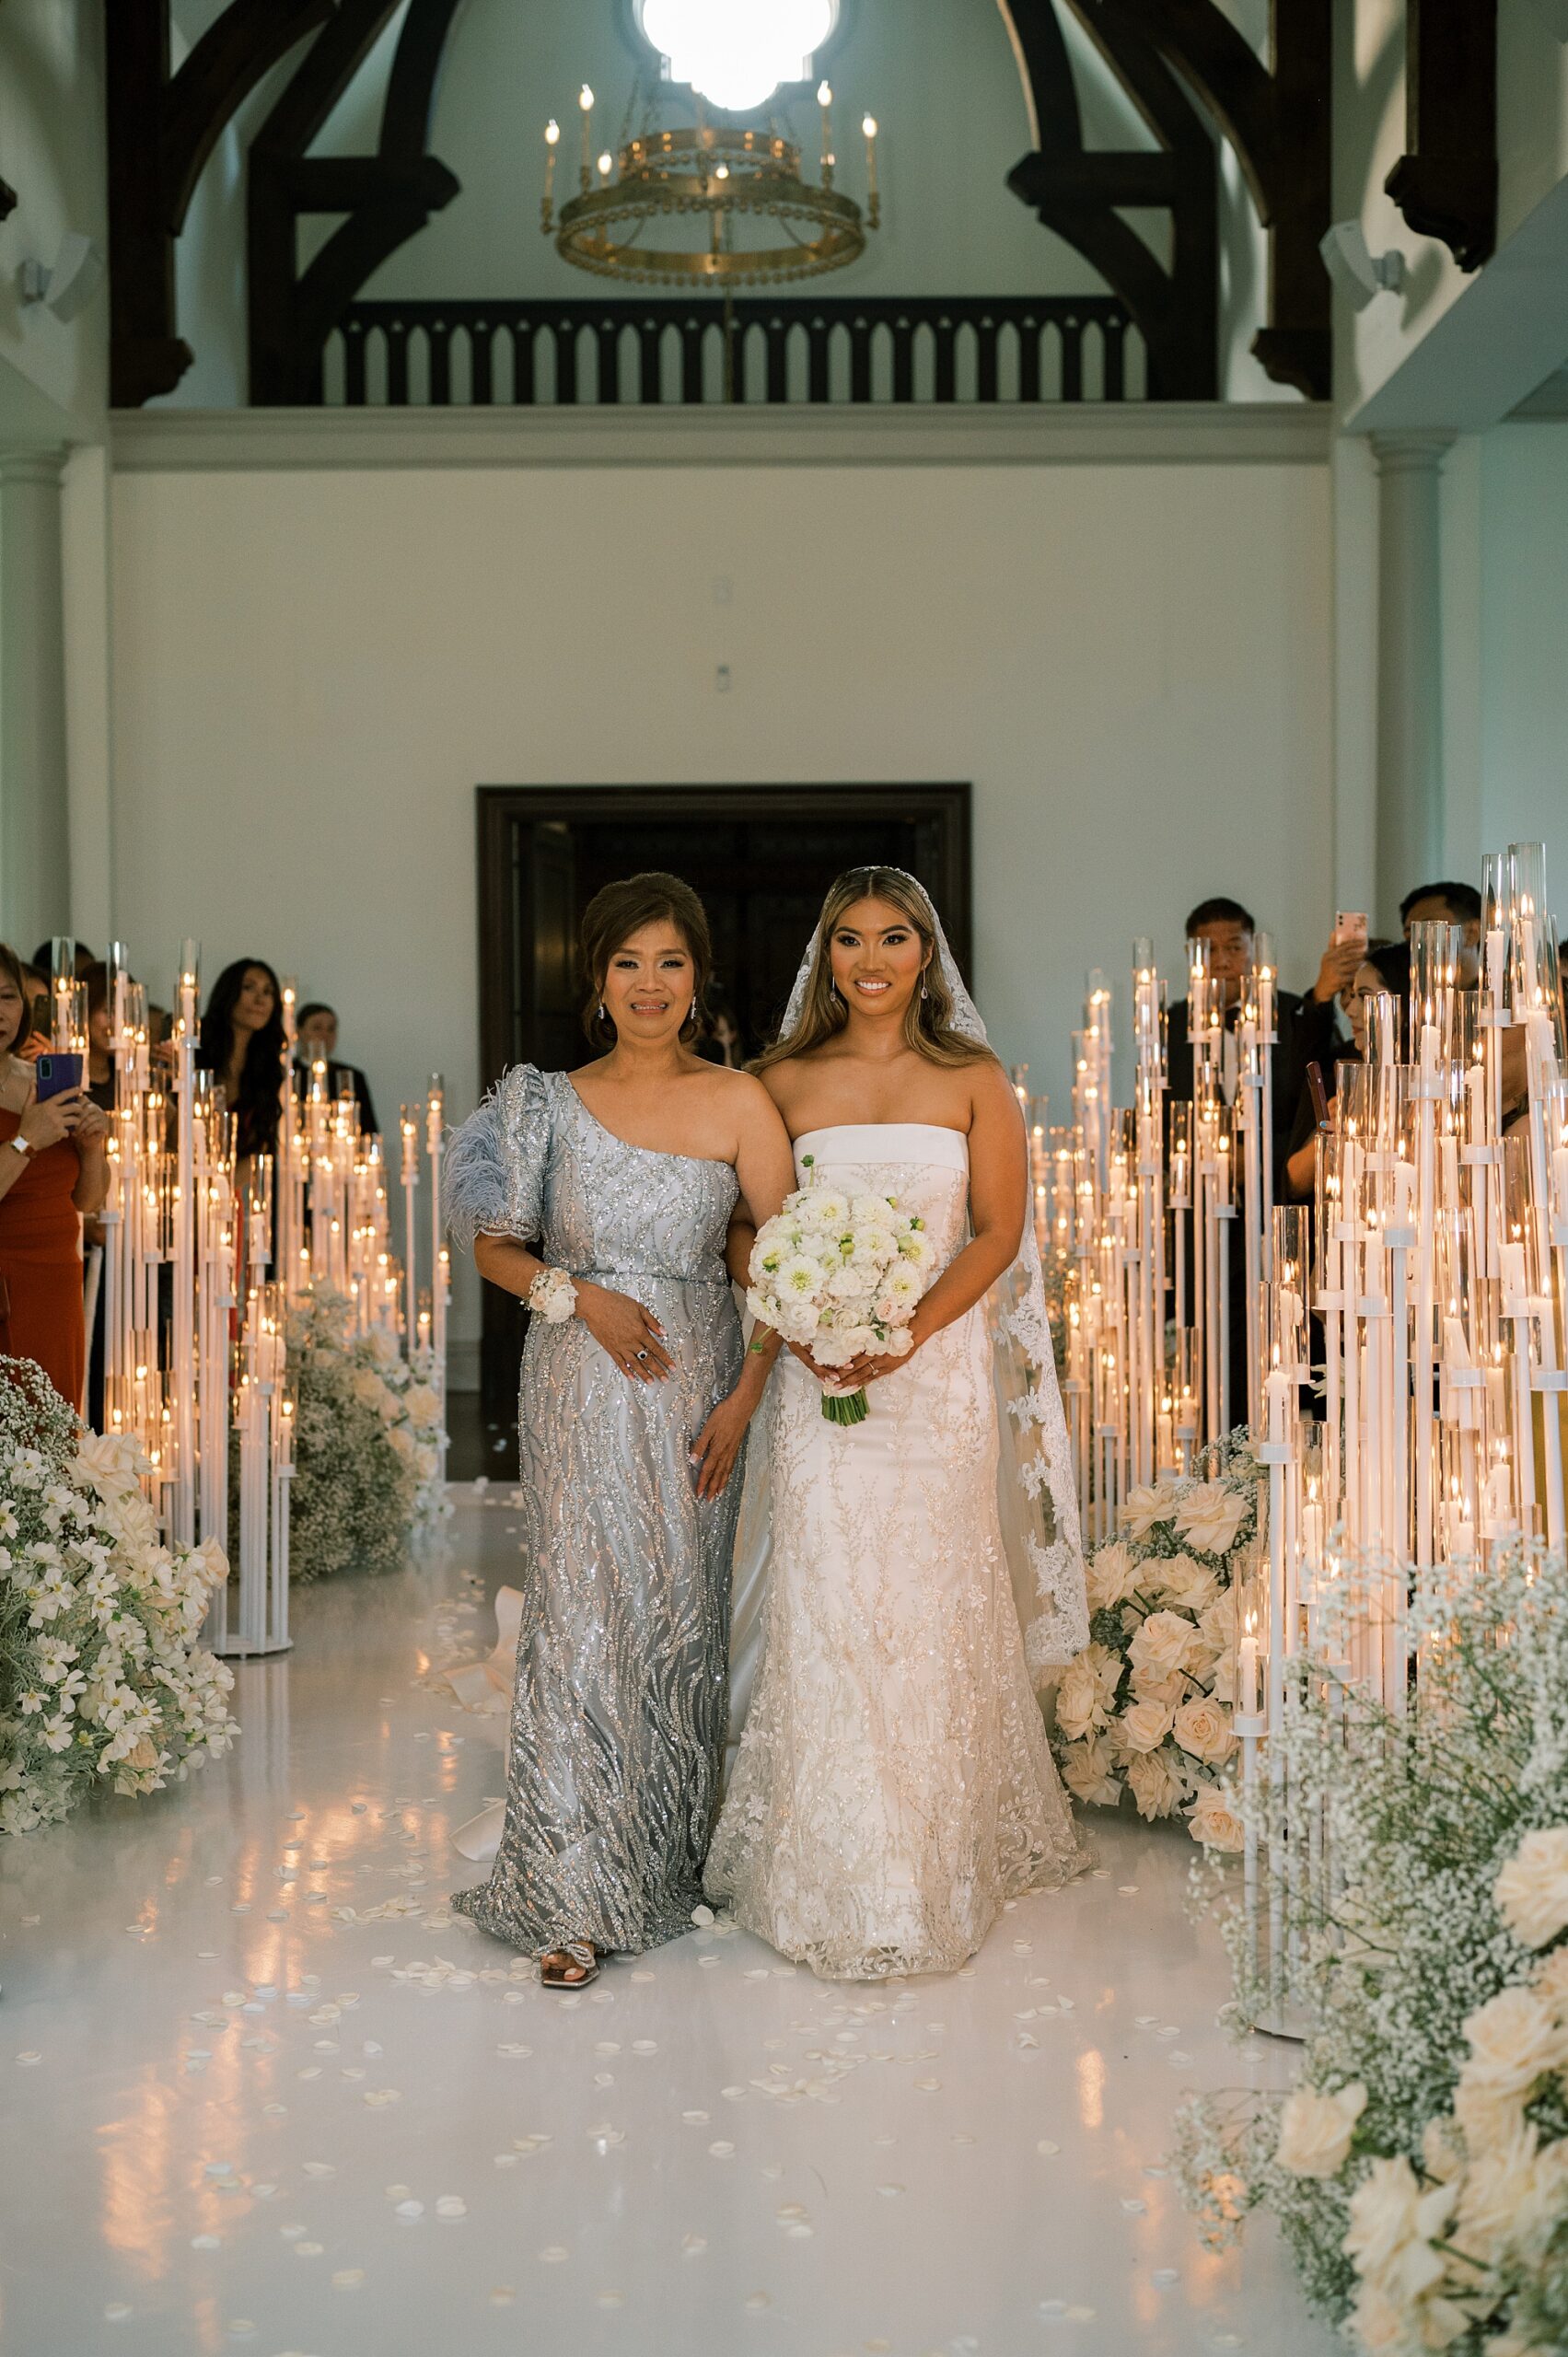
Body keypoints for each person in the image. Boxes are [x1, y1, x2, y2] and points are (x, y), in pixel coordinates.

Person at [703, 866, 1090, 1980]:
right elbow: (741, 1226)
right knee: (827, 1590)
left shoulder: (973, 1079)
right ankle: (832, 1859)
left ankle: (927, 1854)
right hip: (817, 1371)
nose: (870, 962)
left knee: (928, 1589)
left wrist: (906, 1331)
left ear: (928, 953)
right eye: (849, 941)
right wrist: (796, 1302)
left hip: (935, 1375)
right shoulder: (775, 1078)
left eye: (894, 939)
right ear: (823, 956)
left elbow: (997, 1230)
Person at [445, 872, 794, 1987]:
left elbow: (783, 1261)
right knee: (581, 1615)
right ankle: (568, 1890)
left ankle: (662, 1858)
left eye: (671, 962)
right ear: (597, 978)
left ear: (698, 978)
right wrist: (579, 1299)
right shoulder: (541, 1100)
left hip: (700, 1380)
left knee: (676, 1614)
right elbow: (495, 1244)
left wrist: (745, 1391)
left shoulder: (740, 1101)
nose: (650, 984)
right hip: (576, 1375)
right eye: (628, 962)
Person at [0, 942, 110, 1410]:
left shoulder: (45, 1080)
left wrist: (92, 1149)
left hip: (58, 1280)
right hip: (5, 1281)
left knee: (55, 1434)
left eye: (7, 996)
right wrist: (27, 1139)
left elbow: (87, 1201)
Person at [195, 959, 287, 1167]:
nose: (260, 1000)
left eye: (268, 992)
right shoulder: (194, 1053)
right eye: (249, 988)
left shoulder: (266, 1069)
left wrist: (223, 1188)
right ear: (228, 993)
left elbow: (260, 1149)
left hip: (231, 1188)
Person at [294, 1001, 377, 1135]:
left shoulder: (352, 1076)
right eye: (317, 1028)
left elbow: (368, 1131)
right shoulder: (287, 1073)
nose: (325, 1035)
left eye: (331, 1029)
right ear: (300, 1031)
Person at [1401, 880, 1481, 986]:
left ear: (1472, 933)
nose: (1415, 943)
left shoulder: (1504, 996)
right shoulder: (1397, 993)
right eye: (1409, 935)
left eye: (1429, 929)